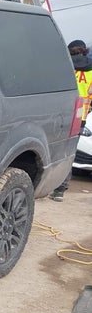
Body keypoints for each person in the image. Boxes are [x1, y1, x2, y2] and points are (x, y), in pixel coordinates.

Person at [50, 39, 92, 201]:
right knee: (69, 152)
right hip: (79, 118)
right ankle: (60, 190)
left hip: (59, 115)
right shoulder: (91, 70)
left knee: (52, 148)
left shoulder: (64, 66)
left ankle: (43, 183)